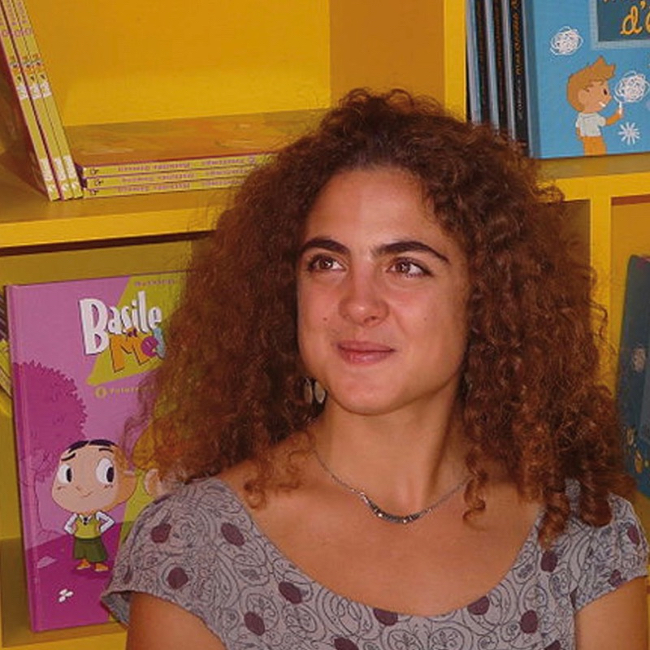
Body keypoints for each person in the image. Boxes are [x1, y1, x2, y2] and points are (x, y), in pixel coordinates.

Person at [102, 89, 648, 649]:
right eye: (327, 263)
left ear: (486, 296)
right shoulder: (194, 548)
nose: (358, 304)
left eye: (406, 266)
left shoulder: (583, 532)